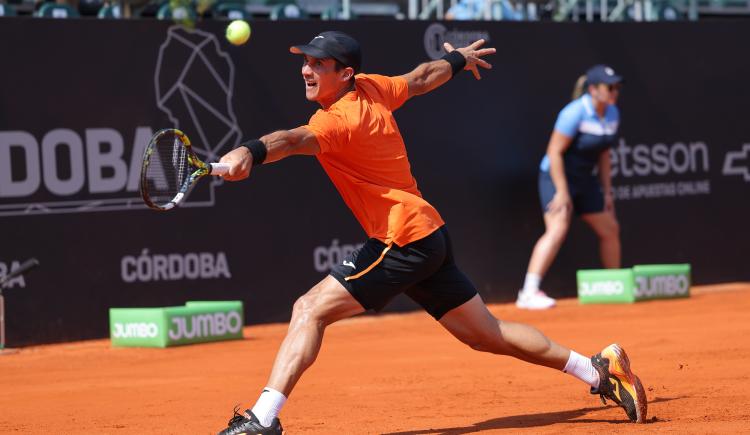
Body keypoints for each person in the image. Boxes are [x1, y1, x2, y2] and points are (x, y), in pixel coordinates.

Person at [215, 34, 645, 434]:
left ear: (345, 73)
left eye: (318, 64)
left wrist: (248, 151)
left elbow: (290, 140)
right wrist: (457, 59)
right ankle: (598, 371)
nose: (306, 71)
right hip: (427, 234)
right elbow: (421, 78)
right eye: (305, 63)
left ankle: (262, 419)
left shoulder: (338, 120)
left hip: (400, 238)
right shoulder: (371, 87)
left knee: (309, 309)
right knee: (486, 334)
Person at [516, 65, 624, 310]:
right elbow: (554, 152)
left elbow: (604, 154)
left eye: (617, 87)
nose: (615, 91)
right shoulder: (574, 113)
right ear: (594, 89)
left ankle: (615, 284)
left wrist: (607, 191)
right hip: (555, 176)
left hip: (584, 180)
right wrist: (562, 192)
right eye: (610, 87)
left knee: (610, 228)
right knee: (557, 228)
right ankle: (528, 292)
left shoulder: (613, 113)